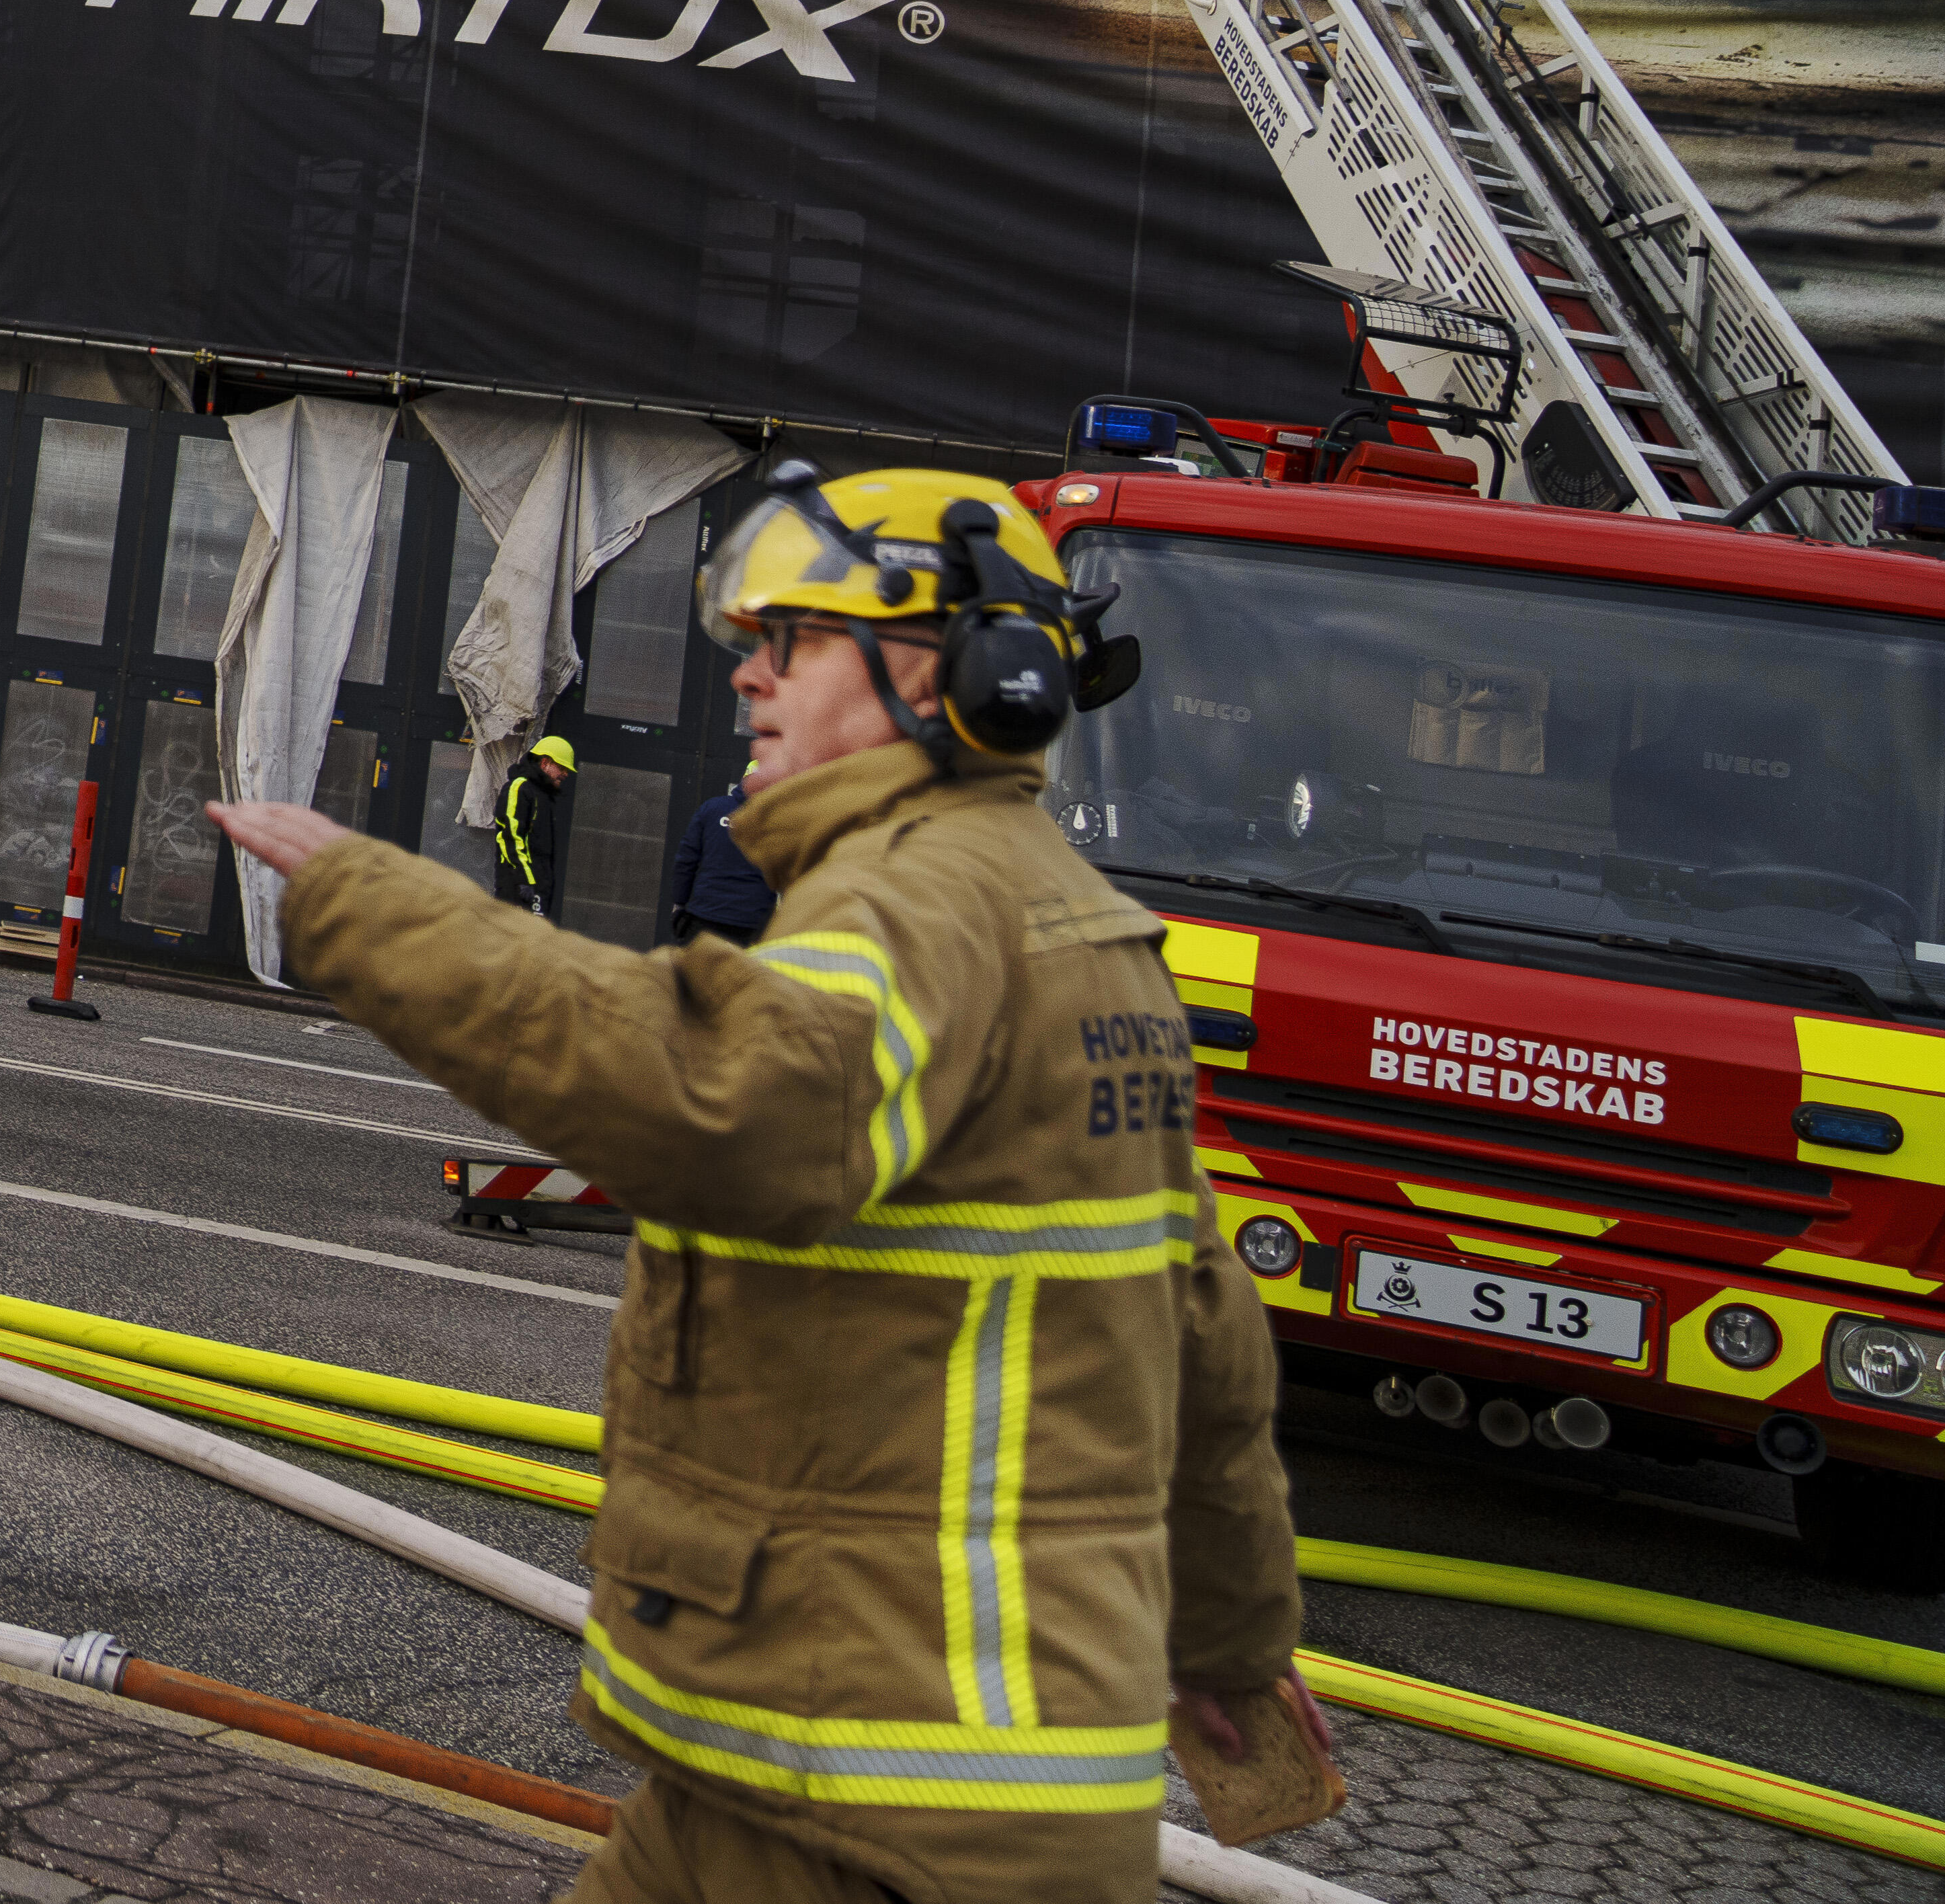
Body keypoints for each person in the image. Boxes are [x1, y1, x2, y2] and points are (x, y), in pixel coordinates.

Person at [213, 469, 1316, 1904]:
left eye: (792, 636)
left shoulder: (919, 899)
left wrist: (377, 913)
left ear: (951, 671)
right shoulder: (1074, 923)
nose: (747, 673)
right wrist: (1229, 1647)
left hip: (874, 1795)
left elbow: (731, 1100)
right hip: (882, 1783)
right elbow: (1206, 1350)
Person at [662, 777, 773, 947]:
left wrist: (680, 902)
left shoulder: (713, 808)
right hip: (753, 922)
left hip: (705, 914)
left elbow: (686, 861)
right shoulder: (779, 820)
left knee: (692, 972)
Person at [489, 728, 581, 909]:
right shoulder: (520, 787)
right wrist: (524, 881)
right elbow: (511, 837)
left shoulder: (544, 794)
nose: (565, 774)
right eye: (562, 768)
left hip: (537, 885)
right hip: (519, 886)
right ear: (545, 763)